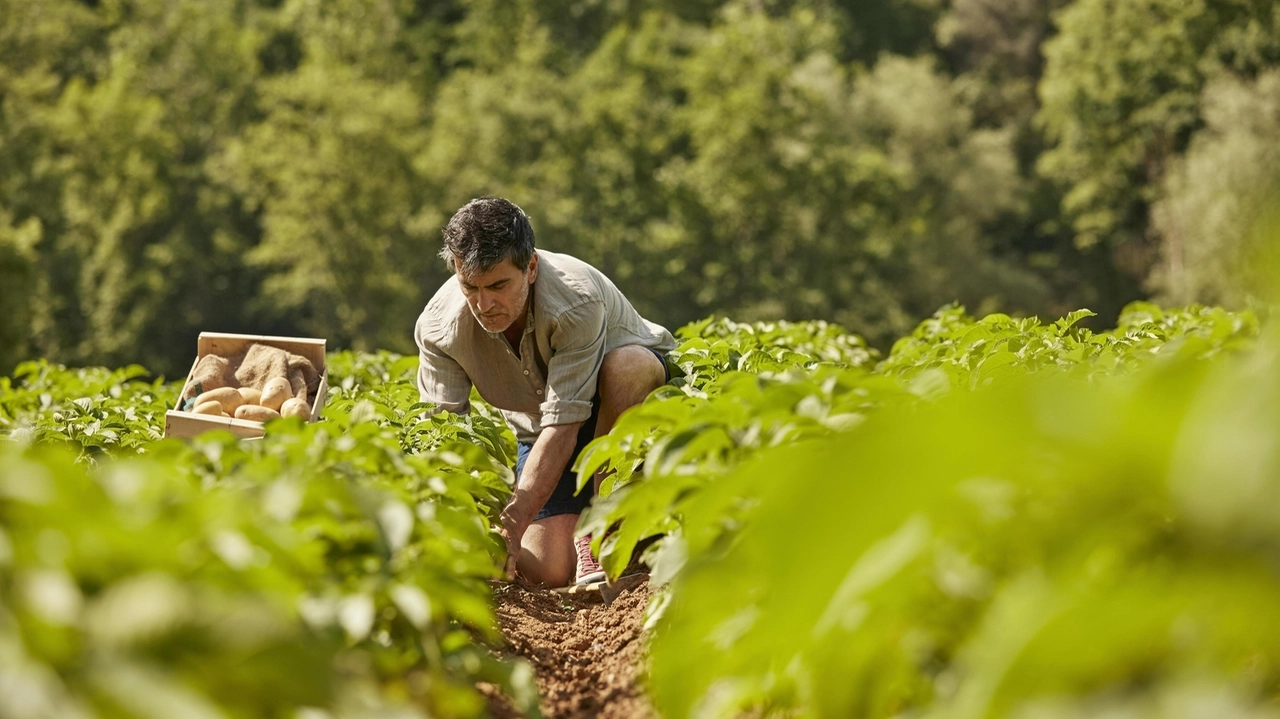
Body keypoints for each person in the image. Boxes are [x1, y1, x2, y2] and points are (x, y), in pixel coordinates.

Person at [415, 197, 675, 587]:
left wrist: (514, 520)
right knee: (548, 569)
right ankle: (587, 535)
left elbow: (566, 422)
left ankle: (605, 526)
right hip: (541, 428)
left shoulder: (575, 300)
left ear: (531, 267)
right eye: (470, 286)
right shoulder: (440, 328)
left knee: (627, 367)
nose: (484, 304)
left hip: (623, 409)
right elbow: (444, 434)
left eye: (499, 285)